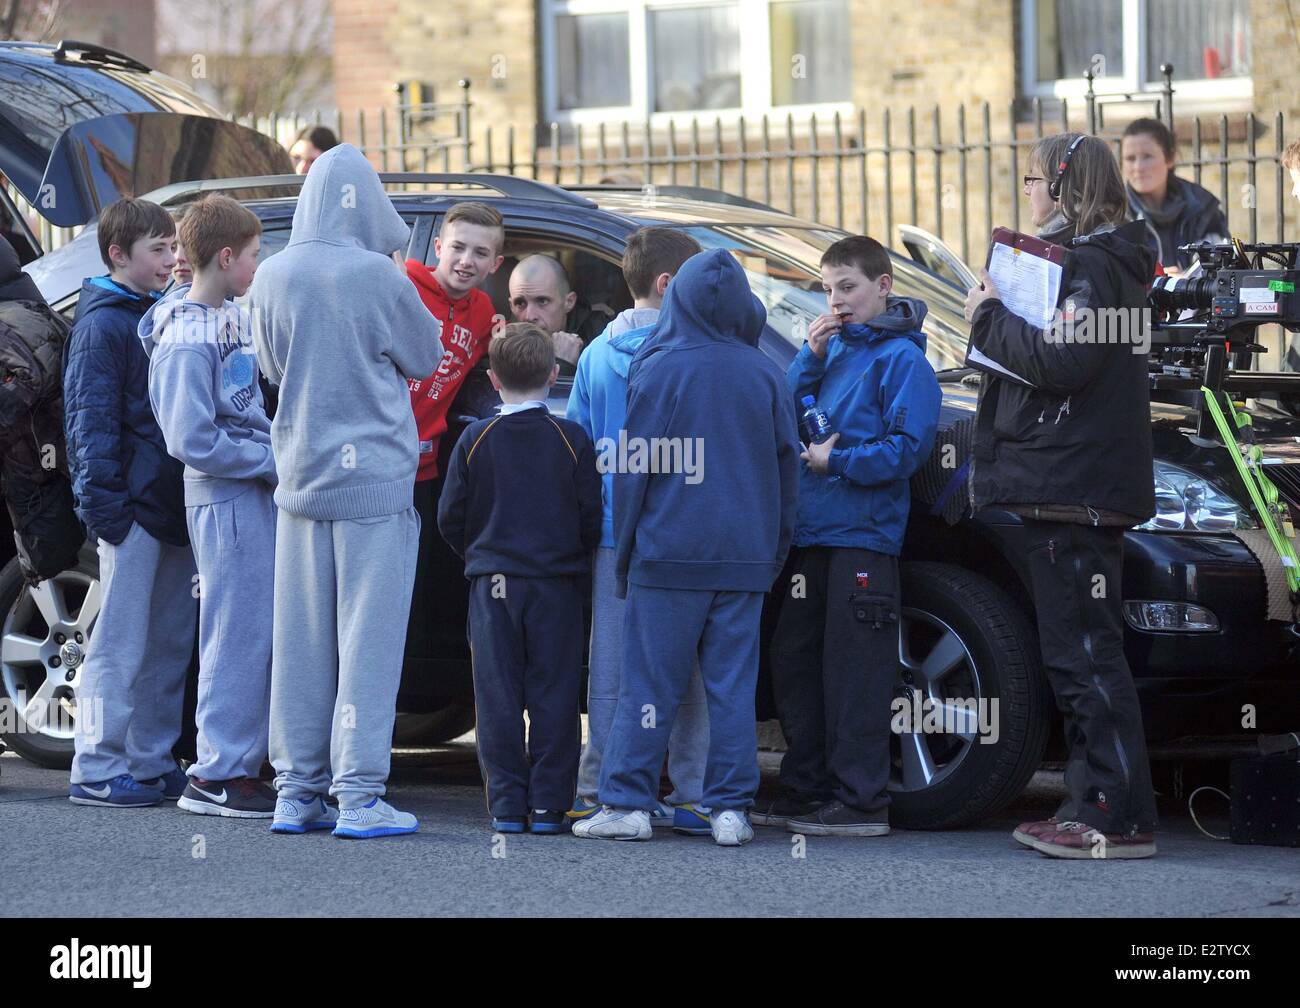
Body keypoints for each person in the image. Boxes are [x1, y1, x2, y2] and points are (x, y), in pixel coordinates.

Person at [964, 132, 1159, 859]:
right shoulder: (1112, 263)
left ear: (1067, 186)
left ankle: (1109, 814)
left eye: (1035, 179)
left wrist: (987, 315)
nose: (1029, 192)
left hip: (1070, 486)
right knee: (1084, 651)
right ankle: (1104, 805)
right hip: (1077, 483)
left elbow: (1062, 362)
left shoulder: (1090, 265)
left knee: (1082, 654)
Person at [573, 249, 800, 847]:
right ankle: (729, 808)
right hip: (744, 557)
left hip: (668, 552)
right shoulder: (767, 374)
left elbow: (634, 470)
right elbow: (786, 475)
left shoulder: (660, 367)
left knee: (649, 685)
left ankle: (627, 802)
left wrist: (624, 552)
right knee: (731, 687)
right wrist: (773, 554)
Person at [249, 143, 442, 838]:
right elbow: (425, 357)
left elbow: (267, 365)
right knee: (368, 641)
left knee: (300, 642)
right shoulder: (379, 277)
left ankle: (295, 791)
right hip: (375, 485)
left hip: (300, 480)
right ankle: (358, 796)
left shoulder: (271, 274)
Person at [760, 234, 940, 837]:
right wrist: (806, 358)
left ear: (883, 287)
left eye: (848, 287)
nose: (835, 300)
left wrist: (837, 463)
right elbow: (786, 416)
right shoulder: (830, 351)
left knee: (854, 671)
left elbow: (906, 450)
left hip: (863, 537)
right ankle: (808, 788)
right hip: (815, 534)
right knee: (795, 660)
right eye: (828, 288)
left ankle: (860, 802)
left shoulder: (903, 361)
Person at [565, 226, 713, 834]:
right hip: (680, 532)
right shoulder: (697, 354)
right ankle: (694, 792)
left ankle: (600, 785)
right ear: (670, 284)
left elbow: (578, 438)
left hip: (611, 530)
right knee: (688, 667)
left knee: (613, 666)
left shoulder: (597, 355)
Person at [437, 322, 602, 834]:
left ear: (492, 379)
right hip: (555, 583)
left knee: (497, 695)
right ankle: (552, 805)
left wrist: (480, 554)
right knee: (554, 694)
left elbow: (450, 515)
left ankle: (507, 805)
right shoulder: (571, 438)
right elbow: (590, 514)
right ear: (555, 376)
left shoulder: (474, 437)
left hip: (493, 583)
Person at [146, 195, 278, 818]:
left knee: (251, 631)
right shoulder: (187, 334)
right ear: (226, 257)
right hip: (225, 498)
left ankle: (238, 764)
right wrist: (270, 459)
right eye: (254, 255)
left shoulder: (224, 314)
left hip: (244, 493)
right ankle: (217, 772)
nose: (260, 264)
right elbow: (190, 438)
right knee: (235, 632)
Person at [64, 198, 195, 808]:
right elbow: (89, 424)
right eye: (158, 250)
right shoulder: (103, 323)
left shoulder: (159, 310)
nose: (171, 260)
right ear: (118, 254)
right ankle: (96, 765)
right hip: (133, 511)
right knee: (118, 645)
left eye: (173, 248)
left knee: (167, 640)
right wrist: (107, 512)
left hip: (169, 505)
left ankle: (148, 759)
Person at [403, 203, 504, 660]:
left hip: (424, 469)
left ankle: (413, 696)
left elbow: (510, 357)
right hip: (379, 464)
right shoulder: (403, 288)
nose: (467, 261)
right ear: (438, 247)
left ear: (495, 264)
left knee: (420, 588)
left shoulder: (483, 312)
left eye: (480, 253)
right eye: (458, 248)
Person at [0, 235, 82, 586]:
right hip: (58, 478)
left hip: (38, 487)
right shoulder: (36, 310)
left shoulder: (7, 325)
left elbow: (18, 391)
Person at [1121, 117, 1229, 274]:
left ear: (1170, 158)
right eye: (1130, 159)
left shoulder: (1202, 207)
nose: (1138, 167)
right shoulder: (1114, 214)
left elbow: (1221, 270)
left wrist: (1184, 281)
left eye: (1147, 156)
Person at [507, 253, 612, 374]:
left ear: (569, 302)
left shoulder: (601, 339)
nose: (529, 316)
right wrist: (563, 365)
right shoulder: (501, 346)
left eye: (542, 301)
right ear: (511, 306)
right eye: (520, 303)